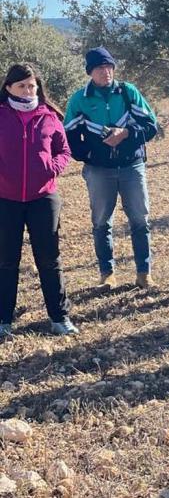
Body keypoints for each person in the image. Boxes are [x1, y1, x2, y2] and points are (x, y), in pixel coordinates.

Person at [64, 47, 158, 290]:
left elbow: (151, 126)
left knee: (140, 220)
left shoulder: (128, 92)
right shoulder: (79, 99)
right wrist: (90, 155)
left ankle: (144, 273)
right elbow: (69, 135)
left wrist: (126, 133)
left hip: (132, 167)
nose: (105, 72)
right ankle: (107, 274)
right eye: (99, 68)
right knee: (101, 223)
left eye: (109, 67)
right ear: (90, 72)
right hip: (99, 171)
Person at [0, 63, 78, 337]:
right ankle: (3, 321)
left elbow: (64, 150)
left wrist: (52, 168)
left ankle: (60, 317)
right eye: (21, 85)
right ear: (8, 87)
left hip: (44, 197)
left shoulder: (49, 116)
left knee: (49, 258)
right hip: (5, 199)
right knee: (6, 260)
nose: (27, 90)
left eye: (31, 85)